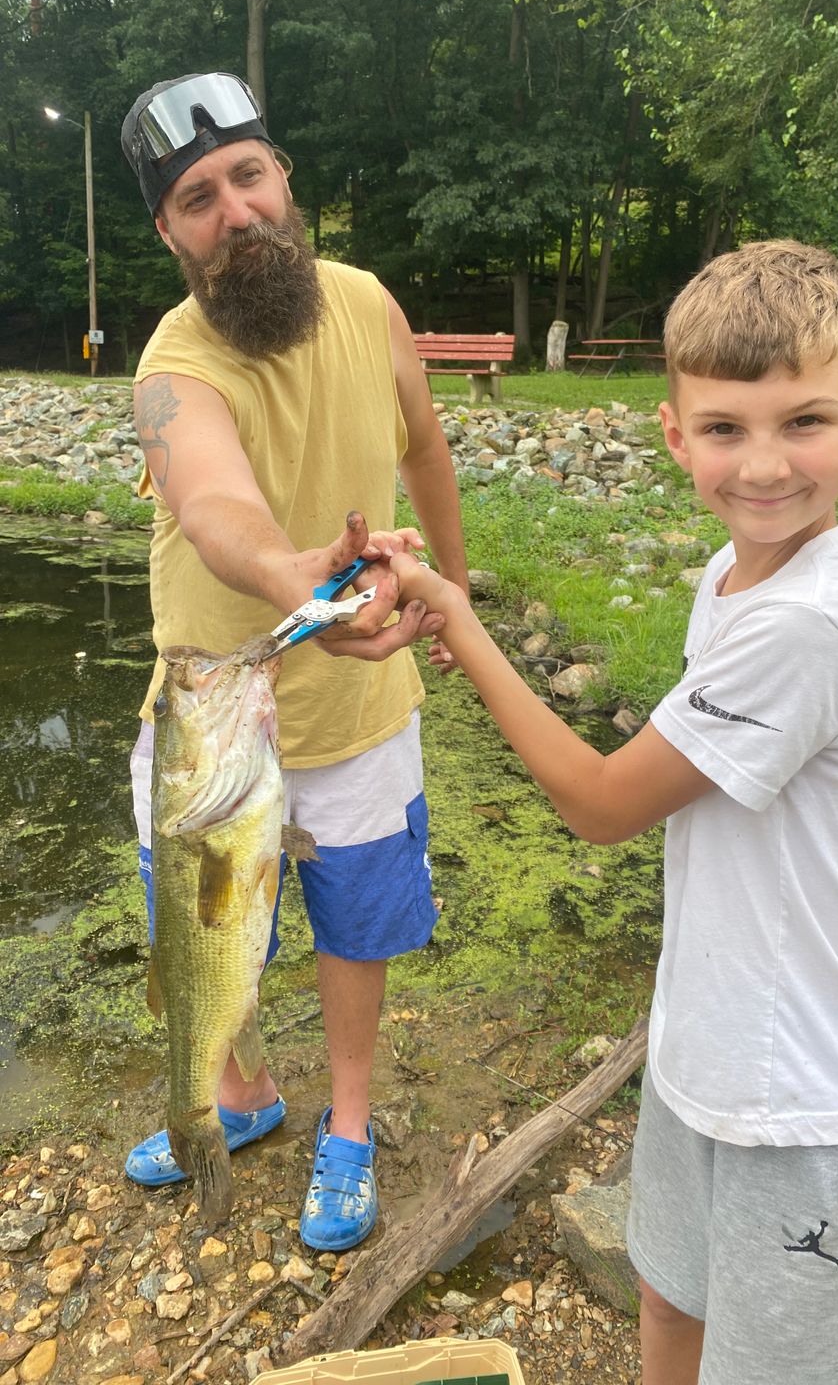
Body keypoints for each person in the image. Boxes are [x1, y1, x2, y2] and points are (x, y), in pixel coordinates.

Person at [389, 240, 838, 1384]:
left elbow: (598, 803)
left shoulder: (821, 621)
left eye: (806, 423)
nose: (766, 465)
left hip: (807, 1099)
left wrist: (462, 623)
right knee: (673, 1299)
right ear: (676, 433)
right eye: (727, 429)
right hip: (705, 1052)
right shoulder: (733, 582)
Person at [119, 71, 468, 1253]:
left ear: (285, 178)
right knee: (210, 933)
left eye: (248, 175)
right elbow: (215, 506)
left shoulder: (370, 306)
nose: (238, 211)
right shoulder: (169, 369)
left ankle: (351, 1125)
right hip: (206, 736)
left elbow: (428, 452)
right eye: (198, 197)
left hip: (363, 708)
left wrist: (454, 602)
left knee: (357, 927)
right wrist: (300, 583)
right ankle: (238, 1099)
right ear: (169, 231)